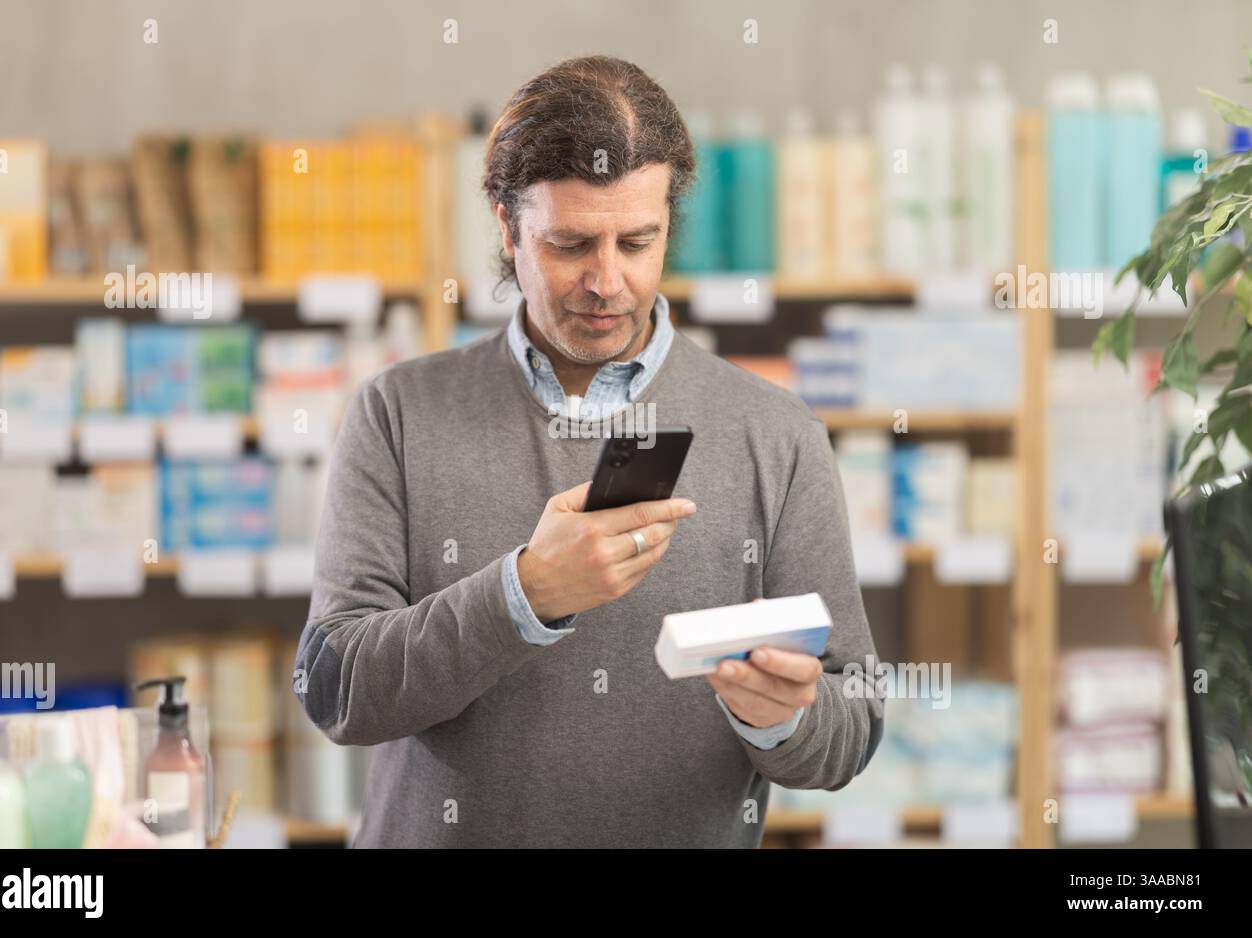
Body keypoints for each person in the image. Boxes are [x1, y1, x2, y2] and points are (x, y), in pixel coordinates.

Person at [294, 54, 882, 848]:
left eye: (636, 241)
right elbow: (338, 690)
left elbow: (850, 725)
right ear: (507, 228)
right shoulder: (398, 414)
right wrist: (526, 593)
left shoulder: (776, 435)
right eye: (570, 244)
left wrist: (782, 720)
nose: (608, 282)